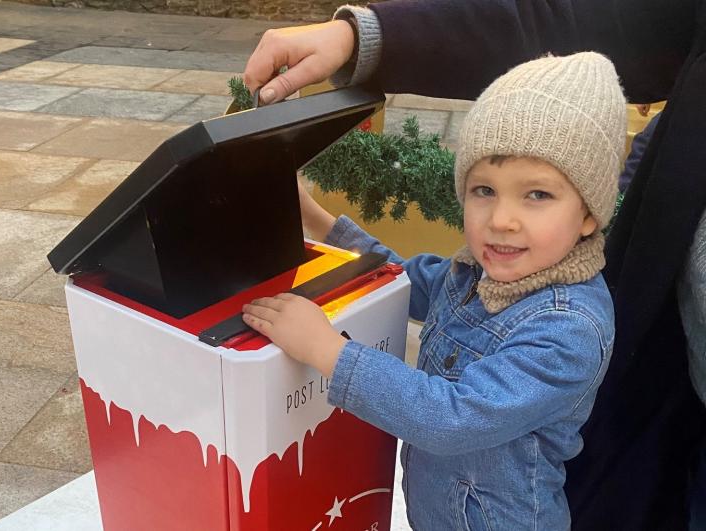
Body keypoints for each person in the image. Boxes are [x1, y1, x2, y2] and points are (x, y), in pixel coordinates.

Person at [243, 3, 706, 529]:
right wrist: (321, 221)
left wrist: (329, 353)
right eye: (484, 190)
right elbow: (402, 277)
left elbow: (450, 416)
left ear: (588, 215)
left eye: (537, 194)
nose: (501, 220)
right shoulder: (478, 275)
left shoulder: (568, 328)